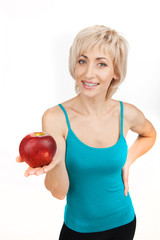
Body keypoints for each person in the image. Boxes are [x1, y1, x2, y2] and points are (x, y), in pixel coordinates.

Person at [16, 25, 156, 240]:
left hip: (124, 222)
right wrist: (56, 161)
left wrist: (127, 161)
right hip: (78, 230)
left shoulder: (126, 113)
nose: (88, 73)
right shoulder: (56, 117)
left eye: (101, 64)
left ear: (115, 72)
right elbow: (58, 191)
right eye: (82, 61)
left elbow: (150, 134)